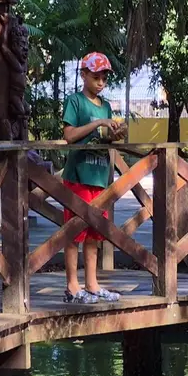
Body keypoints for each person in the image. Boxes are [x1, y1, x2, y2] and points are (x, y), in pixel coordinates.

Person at [62, 52, 126, 304]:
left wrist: (116, 133)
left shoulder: (106, 105)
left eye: (103, 78)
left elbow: (104, 138)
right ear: (84, 75)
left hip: (101, 177)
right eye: (96, 76)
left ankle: (91, 283)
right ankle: (72, 286)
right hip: (78, 176)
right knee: (73, 234)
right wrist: (98, 122)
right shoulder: (75, 101)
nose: (100, 82)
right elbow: (69, 134)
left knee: (94, 235)